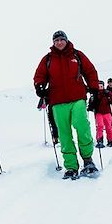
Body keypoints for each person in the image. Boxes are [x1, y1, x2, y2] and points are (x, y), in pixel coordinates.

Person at [33, 31, 100, 179]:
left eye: (61, 39)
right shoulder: (48, 59)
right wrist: (39, 86)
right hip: (57, 101)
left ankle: (88, 160)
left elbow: (90, 71)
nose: (59, 42)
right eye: (56, 40)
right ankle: (70, 166)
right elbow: (39, 75)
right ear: (53, 43)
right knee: (64, 134)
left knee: (81, 125)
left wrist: (94, 88)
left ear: (66, 40)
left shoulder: (77, 55)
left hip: (77, 98)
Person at [87, 80, 112, 148]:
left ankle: (110, 140)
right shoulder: (95, 94)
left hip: (107, 112)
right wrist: (90, 106)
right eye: (99, 86)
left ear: (103, 86)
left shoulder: (107, 93)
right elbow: (91, 103)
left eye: (101, 86)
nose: (100, 87)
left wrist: (111, 102)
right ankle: (99, 140)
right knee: (100, 126)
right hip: (99, 113)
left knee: (108, 127)